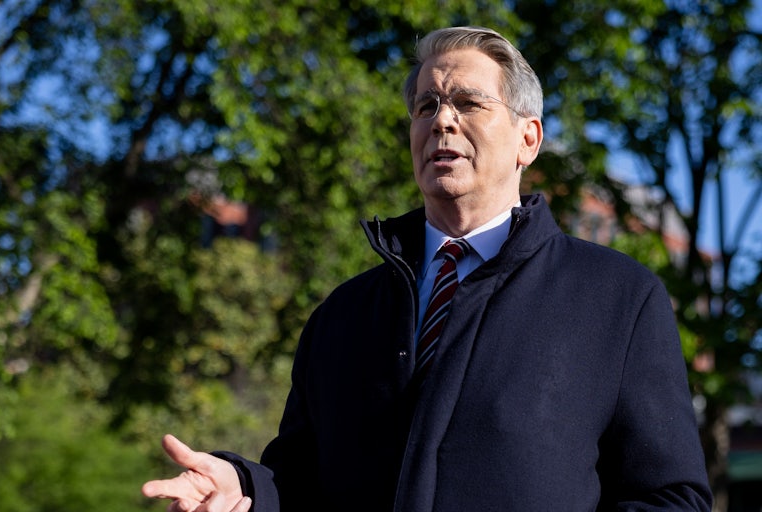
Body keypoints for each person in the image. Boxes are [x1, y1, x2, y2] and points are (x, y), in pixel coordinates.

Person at [142, 26, 712, 512]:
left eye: (467, 102)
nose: (441, 121)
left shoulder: (616, 299)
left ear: (528, 139)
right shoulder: (342, 316)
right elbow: (300, 485)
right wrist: (243, 488)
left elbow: (671, 497)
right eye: (425, 106)